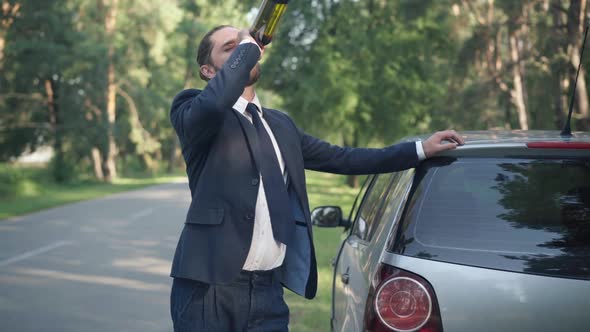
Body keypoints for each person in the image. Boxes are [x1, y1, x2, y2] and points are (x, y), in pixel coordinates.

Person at [168, 25, 465, 332]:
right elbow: (214, 103)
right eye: (230, 47)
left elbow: (344, 157)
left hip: (267, 291)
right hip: (208, 289)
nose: (243, 50)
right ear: (207, 70)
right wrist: (248, 47)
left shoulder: (280, 125)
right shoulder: (192, 109)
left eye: (243, 45)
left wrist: (419, 149)